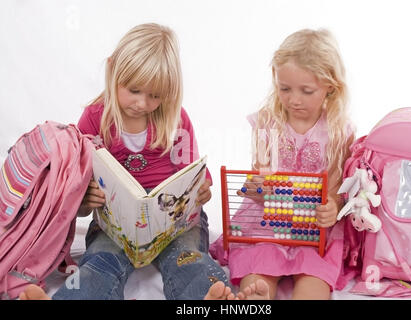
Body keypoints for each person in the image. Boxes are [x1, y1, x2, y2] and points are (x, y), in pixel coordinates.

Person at [19, 23, 229, 300]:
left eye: (155, 96)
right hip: (115, 225)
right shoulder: (95, 118)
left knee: (189, 260)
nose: (143, 103)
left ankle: (210, 298)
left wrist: (201, 191)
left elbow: (195, 176)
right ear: (112, 71)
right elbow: (76, 188)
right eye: (134, 90)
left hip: (175, 224)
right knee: (99, 265)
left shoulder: (176, 120)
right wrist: (86, 199)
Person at [207, 28, 356, 300]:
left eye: (306, 91)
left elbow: (336, 188)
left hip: (312, 228)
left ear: (330, 87)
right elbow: (260, 175)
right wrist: (257, 188)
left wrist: (332, 207)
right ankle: (256, 297)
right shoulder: (268, 121)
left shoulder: (337, 130)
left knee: (314, 282)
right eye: (284, 88)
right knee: (258, 271)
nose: (293, 99)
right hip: (268, 222)